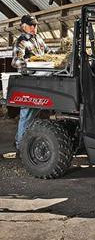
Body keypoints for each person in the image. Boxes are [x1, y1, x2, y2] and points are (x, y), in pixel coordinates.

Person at [11, 15, 49, 156]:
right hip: (28, 82)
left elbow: (49, 53)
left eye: (35, 25)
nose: (34, 28)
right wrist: (32, 63)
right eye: (31, 25)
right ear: (23, 26)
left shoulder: (39, 39)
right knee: (26, 114)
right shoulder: (20, 42)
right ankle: (21, 146)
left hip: (41, 80)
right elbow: (15, 62)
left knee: (36, 114)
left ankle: (22, 140)